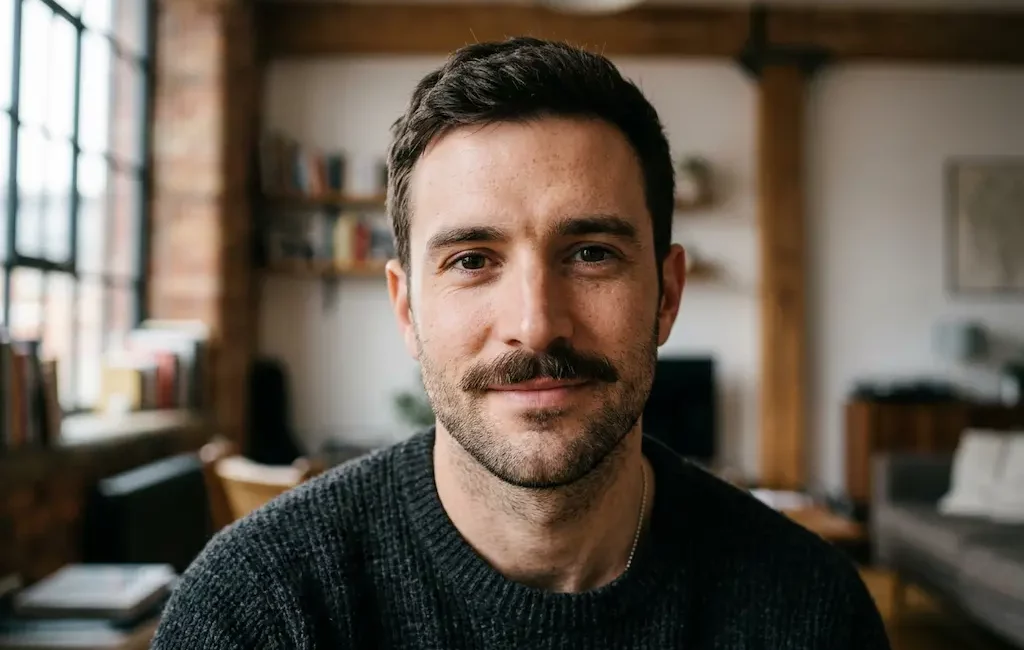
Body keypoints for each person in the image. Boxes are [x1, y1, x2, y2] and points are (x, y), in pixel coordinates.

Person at [152, 37, 889, 649]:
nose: (536, 324)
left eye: (592, 252)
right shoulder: (257, 611)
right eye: (472, 260)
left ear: (667, 294)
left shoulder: (811, 613)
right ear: (406, 309)